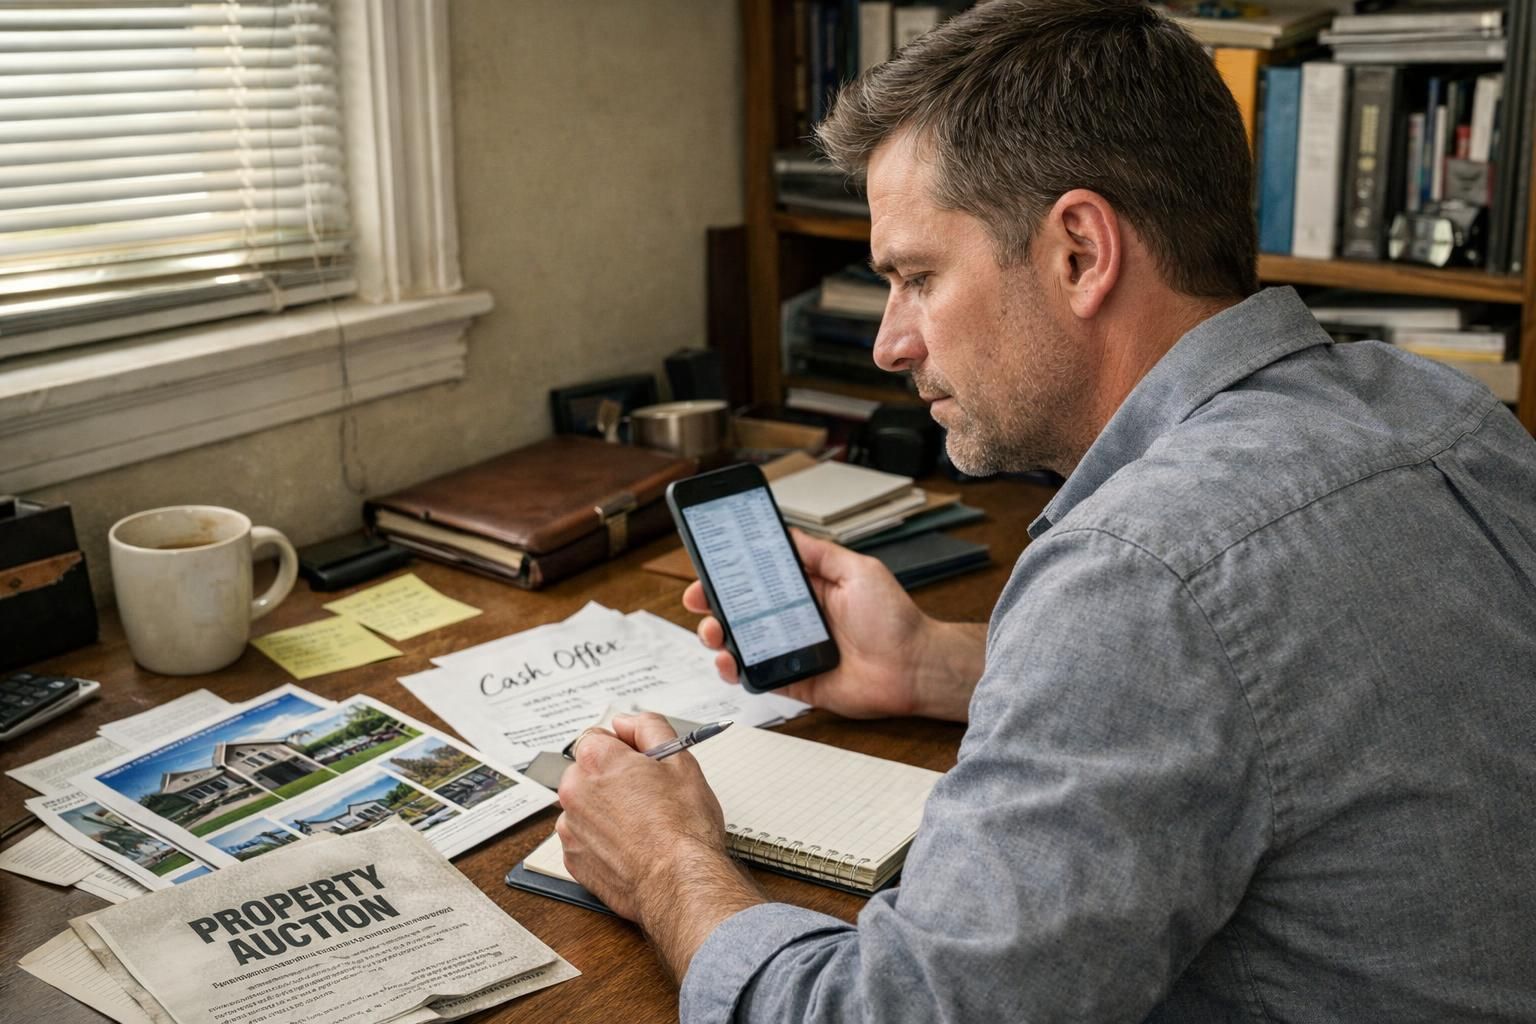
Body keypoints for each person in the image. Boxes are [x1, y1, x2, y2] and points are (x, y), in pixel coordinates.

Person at [555, 1, 1536, 1019]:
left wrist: (666, 862)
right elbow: (1281, 698)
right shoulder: (1444, 411)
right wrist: (941, 664)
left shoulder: (1142, 571)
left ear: (1079, 251)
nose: (890, 342)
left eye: (917, 276)